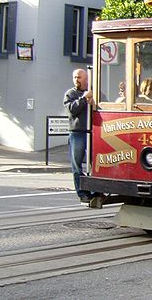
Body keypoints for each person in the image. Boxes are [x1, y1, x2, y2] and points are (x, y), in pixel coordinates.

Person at [64, 68, 95, 203]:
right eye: (75, 77)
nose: (76, 80)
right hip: (77, 133)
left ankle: (95, 190)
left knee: (95, 162)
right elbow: (72, 109)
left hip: (92, 132)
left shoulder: (94, 92)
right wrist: (83, 99)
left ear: (86, 79)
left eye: (79, 77)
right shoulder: (70, 94)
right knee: (77, 165)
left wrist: (93, 101)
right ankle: (82, 193)